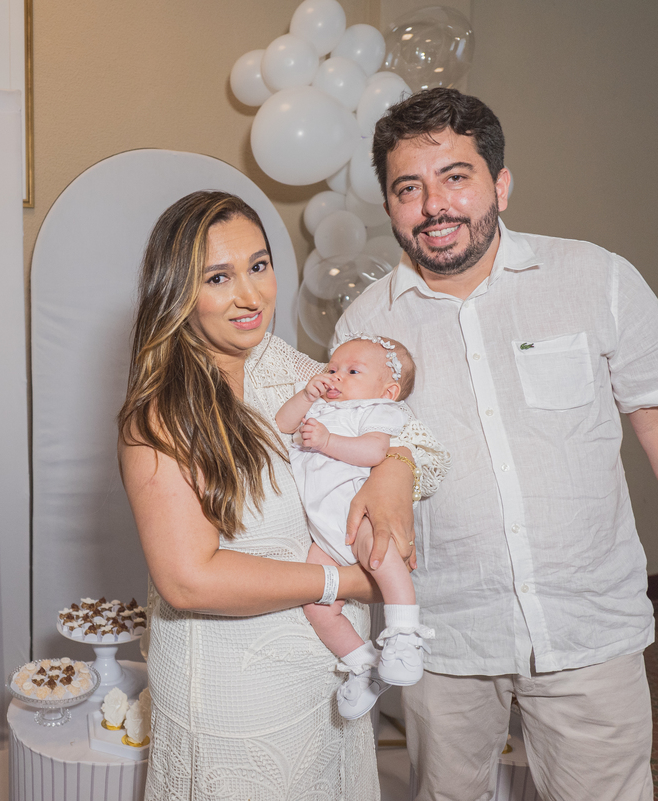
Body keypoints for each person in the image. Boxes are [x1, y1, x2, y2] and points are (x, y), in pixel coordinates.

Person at [337, 87, 658, 801]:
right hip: (445, 637)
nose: (434, 204)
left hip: (588, 627)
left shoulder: (598, 278)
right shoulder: (364, 325)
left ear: (500, 183)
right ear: (389, 205)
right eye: (410, 187)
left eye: (455, 177)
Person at [118, 191, 449, 801]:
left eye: (260, 265)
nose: (250, 296)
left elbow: (421, 442)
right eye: (219, 277)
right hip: (233, 695)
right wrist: (345, 584)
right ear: (179, 291)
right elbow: (190, 580)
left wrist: (395, 468)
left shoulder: (295, 372)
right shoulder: (161, 413)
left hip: (332, 681)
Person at [275, 333, 434, 721]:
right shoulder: (321, 409)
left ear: (388, 389)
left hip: (356, 515)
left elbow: (375, 451)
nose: (336, 376)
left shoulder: (378, 410)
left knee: (382, 559)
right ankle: (364, 665)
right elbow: (282, 423)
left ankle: (403, 633)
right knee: (316, 603)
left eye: (352, 371)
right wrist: (306, 396)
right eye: (332, 368)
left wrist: (327, 441)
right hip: (323, 529)